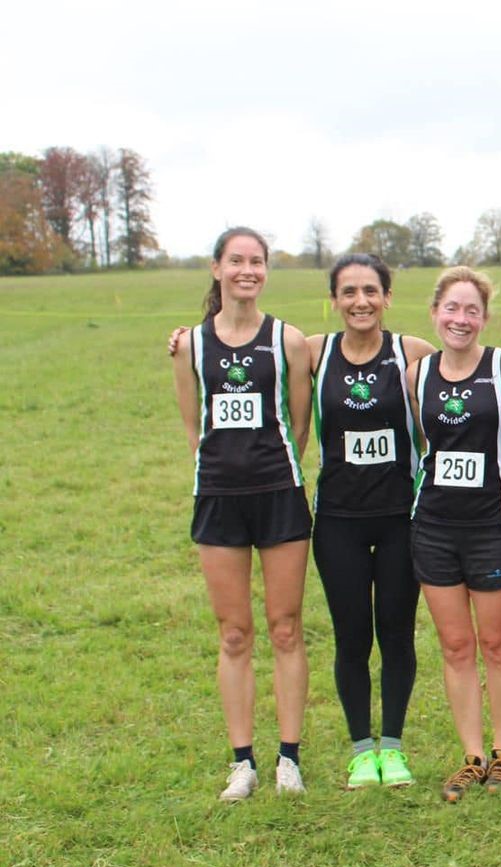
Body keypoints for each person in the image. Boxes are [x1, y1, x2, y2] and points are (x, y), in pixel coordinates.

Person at [172, 226, 312, 801]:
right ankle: (241, 762)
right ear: (216, 268)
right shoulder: (189, 346)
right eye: (237, 261)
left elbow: (300, 425)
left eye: (256, 261)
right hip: (219, 500)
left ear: (266, 272)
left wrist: (271, 471)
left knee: (285, 628)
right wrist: (224, 474)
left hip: (280, 495)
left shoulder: (289, 340)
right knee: (234, 634)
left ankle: (289, 758)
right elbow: (192, 426)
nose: (246, 270)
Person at [310, 254, 434, 790]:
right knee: (351, 637)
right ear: (334, 300)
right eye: (349, 292)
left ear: (387, 297)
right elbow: (241, 343)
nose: (360, 301)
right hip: (337, 520)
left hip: (400, 520)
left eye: (370, 291)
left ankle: (395, 746)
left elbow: (460, 385)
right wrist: (185, 335)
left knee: (397, 634)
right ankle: (362, 750)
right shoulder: (312, 353)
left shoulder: (413, 355)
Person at [408, 266, 501, 802]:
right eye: (451, 309)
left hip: (492, 527)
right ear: (435, 313)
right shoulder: (417, 373)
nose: (461, 319)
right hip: (432, 526)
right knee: (456, 646)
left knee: (497, 644)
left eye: (471, 310)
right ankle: (472, 756)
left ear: (485, 318)